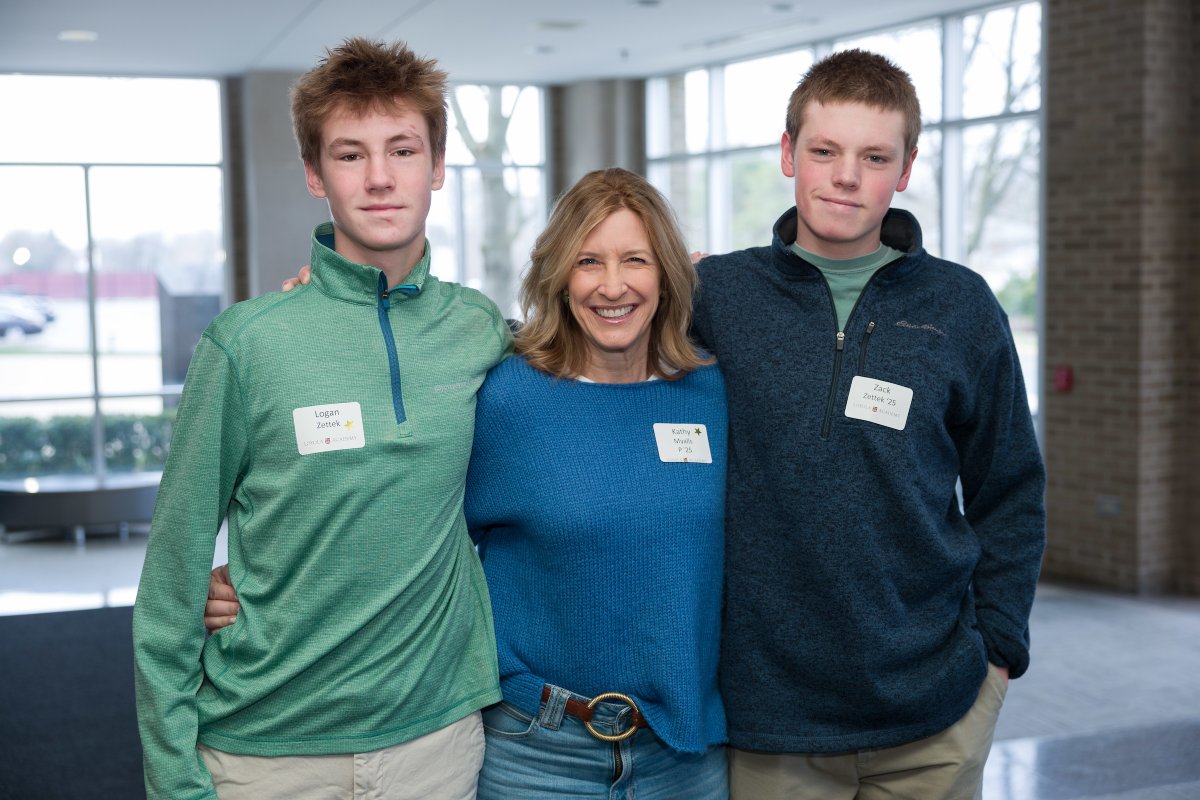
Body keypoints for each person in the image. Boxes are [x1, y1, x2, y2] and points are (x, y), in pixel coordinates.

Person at [207, 167, 731, 798]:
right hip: (535, 748)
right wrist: (266, 588)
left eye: (636, 260)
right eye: (589, 261)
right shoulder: (507, 393)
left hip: (685, 752)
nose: (613, 284)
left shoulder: (712, 393)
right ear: (560, 277)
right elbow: (402, 503)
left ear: (667, 273)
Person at [133, 38, 511, 800]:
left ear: (437, 166)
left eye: (403, 150)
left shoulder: (482, 330)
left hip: (435, 743)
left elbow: (598, 358)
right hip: (266, 753)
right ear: (315, 174)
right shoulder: (247, 344)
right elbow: (172, 575)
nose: (379, 178)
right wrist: (174, 778)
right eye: (349, 155)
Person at [690, 49, 1046, 799]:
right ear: (789, 154)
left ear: (905, 168)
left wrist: (999, 652)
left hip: (935, 713)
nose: (846, 176)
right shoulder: (717, 295)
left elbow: (1008, 487)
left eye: (874, 156)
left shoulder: (962, 308)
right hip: (771, 721)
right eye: (824, 151)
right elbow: (593, 340)